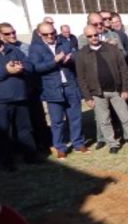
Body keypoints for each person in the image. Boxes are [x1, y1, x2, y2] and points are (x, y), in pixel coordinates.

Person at [75, 25, 128, 154]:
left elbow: (124, 70)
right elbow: (81, 78)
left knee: (126, 117)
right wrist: (87, 97)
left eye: (95, 35)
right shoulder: (81, 54)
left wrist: (126, 89)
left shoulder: (112, 49)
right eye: (90, 36)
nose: (93, 38)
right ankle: (112, 144)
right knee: (104, 121)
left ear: (99, 34)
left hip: (116, 90)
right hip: (97, 93)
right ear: (85, 37)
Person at [29, 22, 87, 160]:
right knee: (57, 121)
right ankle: (60, 147)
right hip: (52, 89)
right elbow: (35, 68)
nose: (50, 36)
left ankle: (78, 143)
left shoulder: (64, 42)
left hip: (70, 85)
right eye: (46, 34)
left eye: (52, 33)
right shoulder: (35, 48)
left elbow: (76, 55)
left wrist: (70, 59)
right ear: (39, 34)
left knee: (75, 117)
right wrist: (54, 61)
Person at [0, 40, 37, 171]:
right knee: (4, 132)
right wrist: (6, 70)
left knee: (25, 129)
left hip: (20, 97)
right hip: (2, 101)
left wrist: (21, 67)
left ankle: (31, 156)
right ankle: (7, 162)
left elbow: (30, 65)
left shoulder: (13, 50)